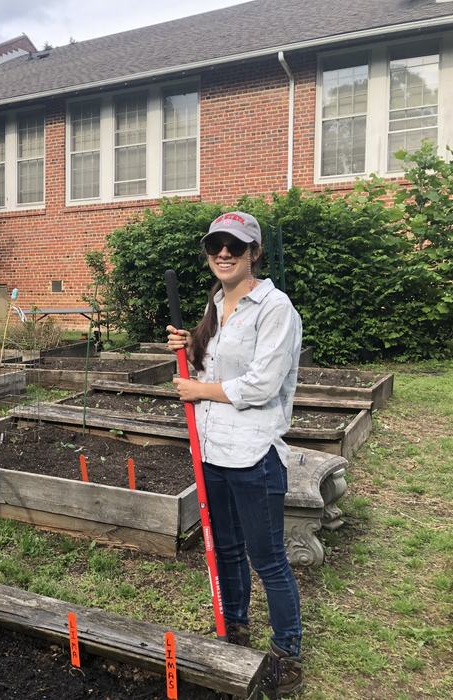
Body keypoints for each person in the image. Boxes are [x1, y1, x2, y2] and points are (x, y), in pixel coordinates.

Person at [166, 211, 303, 698]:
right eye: (215, 245)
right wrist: (188, 345)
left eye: (235, 246)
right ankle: (235, 631)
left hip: (254, 454)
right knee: (225, 550)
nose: (223, 253)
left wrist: (197, 387)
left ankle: (287, 652)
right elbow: (207, 364)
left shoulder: (274, 308)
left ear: (254, 253)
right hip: (212, 448)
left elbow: (263, 385)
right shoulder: (215, 303)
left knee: (268, 559)